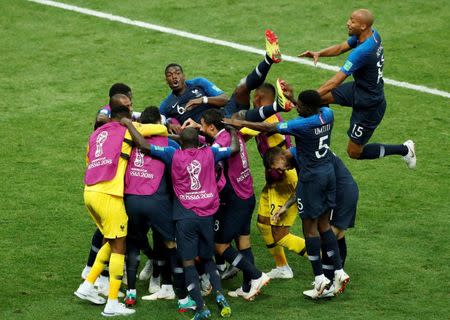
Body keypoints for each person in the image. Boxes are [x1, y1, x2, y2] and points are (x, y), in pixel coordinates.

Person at [224, 88, 350, 299]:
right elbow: (308, 109)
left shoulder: (302, 125)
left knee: (310, 230)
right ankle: (338, 270)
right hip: (328, 175)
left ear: (307, 109)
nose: (296, 108)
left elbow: (269, 126)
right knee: (324, 225)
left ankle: (320, 278)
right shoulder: (328, 115)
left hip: (310, 180)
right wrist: (292, 98)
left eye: (299, 105)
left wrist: (241, 123)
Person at [121, 123, 236, 320]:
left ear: (181, 143)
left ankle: (200, 308)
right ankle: (220, 296)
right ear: (197, 141)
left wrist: (129, 125)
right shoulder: (210, 153)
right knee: (207, 259)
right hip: (207, 215)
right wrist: (233, 131)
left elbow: (144, 147)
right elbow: (233, 149)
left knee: (188, 262)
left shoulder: (172, 155)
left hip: (184, 217)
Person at [74, 94, 168, 317]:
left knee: (110, 239)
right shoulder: (128, 127)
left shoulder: (96, 133)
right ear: (126, 114)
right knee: (119, 247)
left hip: (90, 192)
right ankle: (113, 303)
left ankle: (86, 286)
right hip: (110, 195)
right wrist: (131, 123)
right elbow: (161, 130)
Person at [299, 9, 416, 168]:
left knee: (354, 152)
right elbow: (340, 47)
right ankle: (322, 145)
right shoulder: (373, 35)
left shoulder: (362, 52)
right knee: (319, 100)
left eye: (352, 21)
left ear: (363, 26)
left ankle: (405, 149)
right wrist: (319, 53)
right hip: (359, 89)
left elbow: (335, 82)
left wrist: (305, 99)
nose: (348, 23)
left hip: (370, 104)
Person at [122, 106, 195, 312]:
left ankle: (131, 294)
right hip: (157, 200)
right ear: (159, 124)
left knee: (133, 243)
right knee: (171, 245)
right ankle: (182, 299)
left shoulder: (130, 143)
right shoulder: (170, 144)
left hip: (132, 200)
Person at [193, 109, 270, 301]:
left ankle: (257, 275)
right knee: (243, 242)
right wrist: (198, 132)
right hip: (246, 195)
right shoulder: (230, 133)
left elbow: (210, 153)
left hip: (235, 199)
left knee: (220, 246)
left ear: (211, 127)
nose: (200, 128)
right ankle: (247, 287)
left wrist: (185, 139)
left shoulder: (223, 142)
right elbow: (214, 143)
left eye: (202, 125)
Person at [264, 146, 359, 298]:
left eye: (280, 168)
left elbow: (306, 185)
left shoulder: (303, 156)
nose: (284, 170)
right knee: (337, 235)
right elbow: (303, 185)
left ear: (280, 157)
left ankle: (332, 278)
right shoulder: (300, 154)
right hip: (344, 189)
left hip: (340, 193)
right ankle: (332, 278)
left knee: (324, 235)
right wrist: (286, 207)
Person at [239, 84, 306, 279]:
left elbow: (240, 133)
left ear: (258, 98)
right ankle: (282, 267)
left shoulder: (267, 118)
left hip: (284, 180)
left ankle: (325, 258)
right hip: (274, 181)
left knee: (281, 234)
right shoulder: (270, 117)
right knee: (262, 223)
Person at [159, 64, 229, 133]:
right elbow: (156, 120)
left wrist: (203, 100)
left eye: (178, 73)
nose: (174, 77)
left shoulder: (199, 83)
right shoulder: (166, 105)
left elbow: (225, 99)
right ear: (166, 81)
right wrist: (168, 125)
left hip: (220, 121)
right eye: (169, 75)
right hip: (200, 132)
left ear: (184, 76)